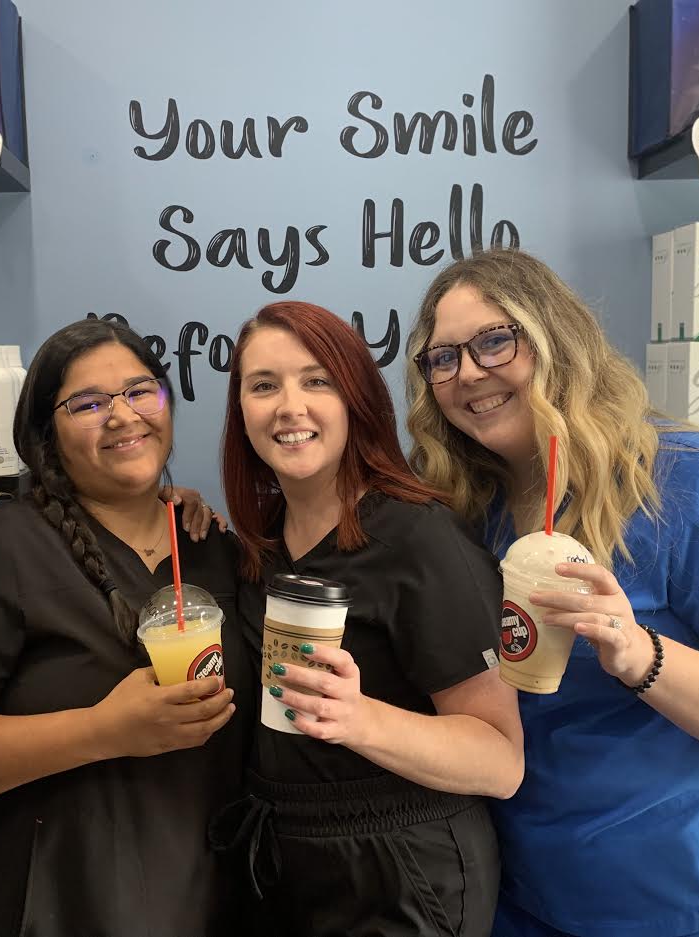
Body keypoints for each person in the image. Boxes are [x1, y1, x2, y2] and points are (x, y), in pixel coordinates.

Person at [405, 249, 699, 937]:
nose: (468, 372)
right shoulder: (463, 505)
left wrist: (640, 654)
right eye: (442, 358)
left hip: (693, 894)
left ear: (556, 340)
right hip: (526, 894)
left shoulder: (690, 480)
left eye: (494, 341)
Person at [0, 318, 253, 937]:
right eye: (88, 403)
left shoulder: (211, 546)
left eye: (141, 391)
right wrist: (102, 730)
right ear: (45, 434)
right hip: (53, 903)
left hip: (210, 896)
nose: (123, 415)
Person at [216, 301, 524, 937]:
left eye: (317, 381)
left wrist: (358, 719)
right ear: (240, 410)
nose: (290, 407)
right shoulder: (258, 545)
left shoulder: (420, 538)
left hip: (403, 872)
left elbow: (501, 762)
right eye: (264, 385)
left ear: (356, 399)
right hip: (282, 862)